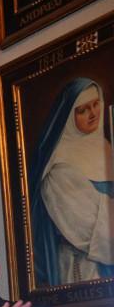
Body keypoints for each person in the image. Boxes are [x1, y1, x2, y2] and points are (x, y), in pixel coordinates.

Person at [30, 77, 114, 286]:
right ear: (68, 116)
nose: (93, 113)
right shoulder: (59, 166)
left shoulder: (105, 146)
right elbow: (90, 228)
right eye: (82, 110)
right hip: (86, 269)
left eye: (96, 104)